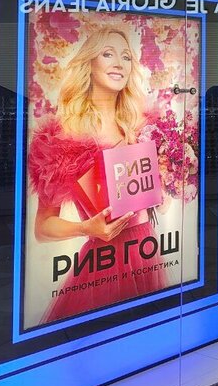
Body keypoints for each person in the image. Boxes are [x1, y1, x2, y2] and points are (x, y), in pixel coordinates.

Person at [28, 26, 175, 323]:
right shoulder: (63, 137)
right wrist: (87, 228)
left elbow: (159, 204)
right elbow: (42, 228)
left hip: (145, 250)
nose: (119, 63)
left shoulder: (142, 128)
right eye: (108, 54)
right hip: (104, 262)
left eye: (126, 57)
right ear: (89, 62)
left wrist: (164, 188)